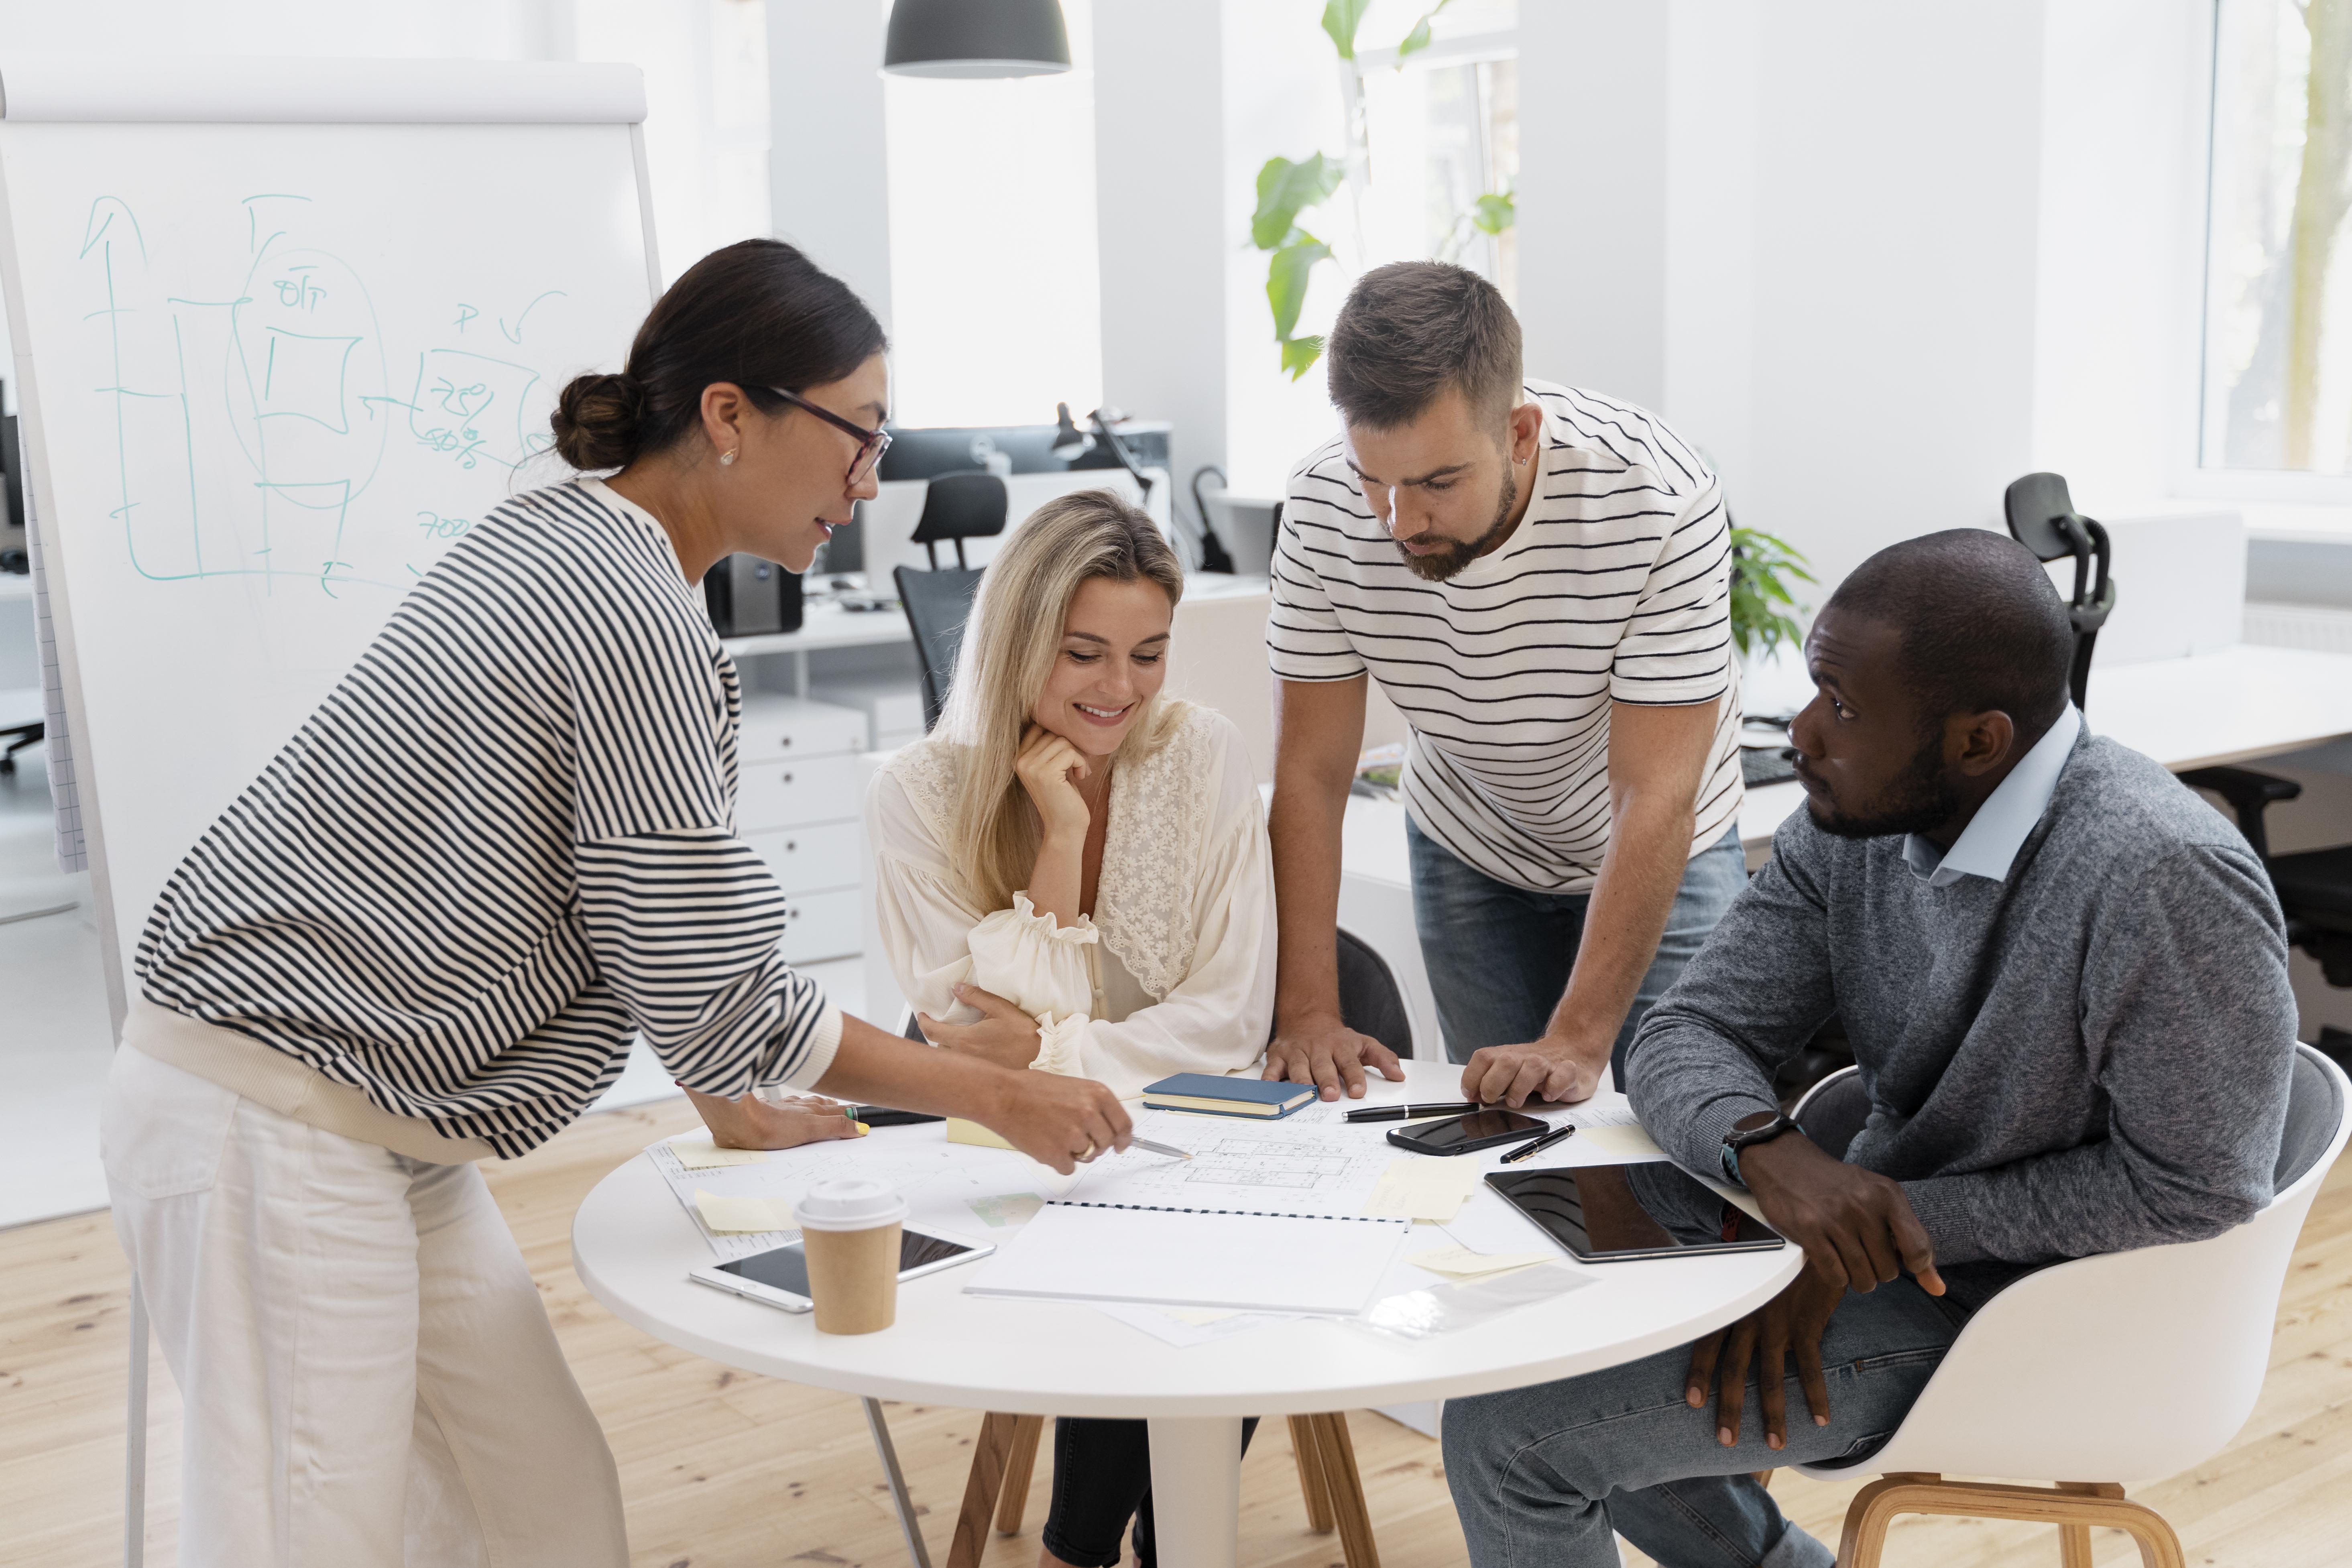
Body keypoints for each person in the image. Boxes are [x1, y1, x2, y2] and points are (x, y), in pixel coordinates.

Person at [101, 239, 1130, 1568]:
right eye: (859, 435)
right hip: (273, 1108)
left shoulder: (573, 538)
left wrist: (724, 1093)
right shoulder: (629, 601)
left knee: (542, 1510)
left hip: (385, 1121)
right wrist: (996, 1091)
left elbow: (632, 907)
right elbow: (720, 981)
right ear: (727, 414)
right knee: (304, 1530)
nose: (871, 481)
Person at [1440, 530, 2299, 1568]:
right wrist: (1774, 1156)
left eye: (1840, 706)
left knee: (1510, 1439)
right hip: (1876, 1258)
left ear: (1976, 742)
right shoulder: (1852, 824)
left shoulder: (2158, 877)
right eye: (1812, 688)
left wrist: (1876, 1235)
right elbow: (1682, 1029)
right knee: (1522, 1369)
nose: (1799, 732)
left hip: (2041, 1313)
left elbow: (2199, 1185)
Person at [865, 487, 1276, 1568]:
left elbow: (1229, 1015)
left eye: (1148, 654)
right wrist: (1059, 836)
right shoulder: (915, 794)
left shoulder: (1206, 753)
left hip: (1191, 1130)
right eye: (1084, 652)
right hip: (1008, 1149)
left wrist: (1048, 1055)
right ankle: (1112, 1544)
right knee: (1122, 1228)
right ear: (1016, 641)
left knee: (1204, 1237)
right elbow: (963, 1036)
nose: (1121, 690)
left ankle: (1109, 1546)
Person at [1263, 259, 1747, 1107]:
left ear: (1520, 433)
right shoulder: (1319, 506)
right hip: (1471, 839)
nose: (1399, 521)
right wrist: (1306, 1011)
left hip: (1660, 842)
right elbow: (1308, 774)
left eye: (1437, 482)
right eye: (1374, 477)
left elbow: (1654, 791)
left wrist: (1576, 1037)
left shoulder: (1655, 498)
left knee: (1681, 1124)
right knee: (1496, 1131)